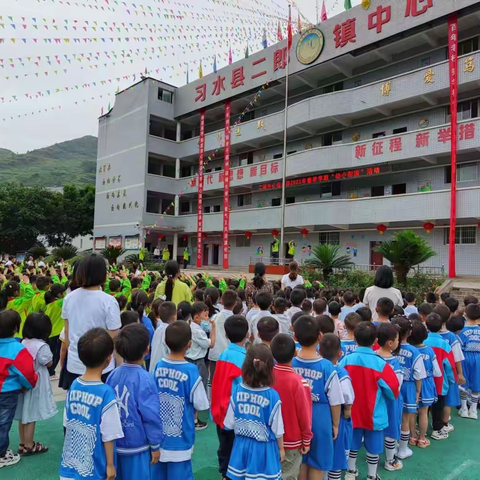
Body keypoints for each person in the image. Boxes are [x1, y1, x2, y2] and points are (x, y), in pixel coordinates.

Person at [60, 328, 124, 480]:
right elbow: (109, 434)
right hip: (94, 470)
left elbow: (68, 422)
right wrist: (110, 465)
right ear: (109, 359)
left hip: (69, 468)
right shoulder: (106, 393)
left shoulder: (74, 385)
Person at [340, 322, 399, 480]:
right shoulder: (381, 364)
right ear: (375, 341)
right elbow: (393, 390)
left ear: (355, 340)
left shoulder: (345, 361)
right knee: (374, 446)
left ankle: (350, 472)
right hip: (374, 414)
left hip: (351, 412)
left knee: (352, 443)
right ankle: (372, 475)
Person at [152, 321, 209, 479]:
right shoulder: (191, 370)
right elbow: (201, 403)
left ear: (165, 342)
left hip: (158, 438)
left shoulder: (158, 366)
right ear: (189, 345)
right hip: (181, 439)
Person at [106, 324, 163, 480]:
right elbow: (151, 416)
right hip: (138, 446)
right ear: (147, 349)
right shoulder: (145, 379)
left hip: (116, 445)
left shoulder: (112, 375)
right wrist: (155, 445)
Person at [292, 315, 344, 479]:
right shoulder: (327, 367)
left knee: (300, 460)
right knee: (318, 462)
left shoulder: (290, 363)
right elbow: (335, 400)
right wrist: (335, 424)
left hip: (296, 417)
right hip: (320, 417)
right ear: (320, 337)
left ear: (295, 337)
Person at [225, 344, 285, 480]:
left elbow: (229, 424)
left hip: (240, 449)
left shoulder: (237, 390)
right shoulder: (272, 396)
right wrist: (281, 449)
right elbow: (278, 429)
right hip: (264, 451)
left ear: (245, 367)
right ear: (270, 369)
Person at [61, 255, 121, 390]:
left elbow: (67, 333)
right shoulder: (109, 301)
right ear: (103, 274)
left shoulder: (69, 298)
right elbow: (114, 338)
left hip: (75, 364)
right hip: (102, 367)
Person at [211, 315, 249, 480]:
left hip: (220, 413)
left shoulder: (223, 354)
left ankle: (225, 475)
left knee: (224, 449)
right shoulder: (244, 359)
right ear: (248, 334)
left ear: (226, 335)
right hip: (235, 417)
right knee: (236, 453)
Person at [271, 334, 313, 480]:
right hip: (291, 441)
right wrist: (307, 439)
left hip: (268, 438)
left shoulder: (265, 377)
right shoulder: (299, 382)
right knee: (288, 475)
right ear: (294, 353)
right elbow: (304, 414)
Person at [0, 310, 37, 469]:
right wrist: (29, 385)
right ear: (16, 328)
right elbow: (28, 374)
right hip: (7, 393)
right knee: (3, 423)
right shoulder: (18, 349)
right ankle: (1, 455)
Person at [16, 313, 57, 455]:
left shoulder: (22, 342)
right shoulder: (42, 346)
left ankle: (22, 443)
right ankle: (29, 445)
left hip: (23, 382)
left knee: (22, 413)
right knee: (31, 414)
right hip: (36, 383)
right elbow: (48, 362)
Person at [390, 315, 426, 460]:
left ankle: (391, 449)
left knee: (393, 417)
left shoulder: (389, 348)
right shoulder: (414, 352)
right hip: (409, 387)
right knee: (405, 418)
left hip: (392, 386)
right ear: (410, 333)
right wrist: (418, 391)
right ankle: (403, 450)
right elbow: (419, 374)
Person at [408, 320, 442, 447]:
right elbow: (437, 372)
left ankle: (412, 437)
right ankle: (422, 439)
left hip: (412, 384)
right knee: (423, 412)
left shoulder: (408, 351)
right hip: (427, 384)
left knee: (411, 412)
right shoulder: (429, 351)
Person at [376, 323, 404, 471]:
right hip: (391, 401)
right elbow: (397, 386)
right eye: (397, 339)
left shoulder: (373, 358)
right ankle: (390, 460)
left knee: (375, 429)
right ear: (390, 343)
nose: (399, 342)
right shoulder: (394, 363)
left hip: (374, 401)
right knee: (391, 429)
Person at [424, 313, 457, 439]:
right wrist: (451, 379)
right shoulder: (444, 344)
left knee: (424, 406)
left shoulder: (423, 341)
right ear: (442, 326)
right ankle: (437, 429)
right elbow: (449, 365)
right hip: (439, 381)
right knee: (438, 406)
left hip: (425, 380)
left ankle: (419, 426)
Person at [434, 304, 466, 429]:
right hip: (448, 374)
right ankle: (444, 423)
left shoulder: (427, 334)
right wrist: (460, 373)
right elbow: (457, 358)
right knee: (448, 400)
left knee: (433, 399)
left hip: (431, 374)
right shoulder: (451, 337)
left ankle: (432, 421)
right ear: (448, 319)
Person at [186, 302, 215, 430]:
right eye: (205, 316)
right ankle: (194, 419)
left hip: (190, 359)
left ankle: (191, 417)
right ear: (197, 317)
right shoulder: (197, 331)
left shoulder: (190, 326)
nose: (207, 319)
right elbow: (211, 344)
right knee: (198, 389)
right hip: (197, 361)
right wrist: (213, 328)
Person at [208, 289, 237, 388]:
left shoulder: (215, 317)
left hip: (215, 353)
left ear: (221, 301)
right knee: (226, 384)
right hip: (229, 356)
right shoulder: (236, 320)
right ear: (235, 303)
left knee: (213, 382)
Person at [458, 303, 480, 420]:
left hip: (465, 357)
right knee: (477, 383)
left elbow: (459, 348)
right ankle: (473, 410)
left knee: (463, 383)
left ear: (465, 314)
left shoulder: (462, 331)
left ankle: (464, 408)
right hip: (478, 357)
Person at [44, 283, 67, 377]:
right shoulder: (60, 303)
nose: (65, 294)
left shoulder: (49, 305)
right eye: (63, 292)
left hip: (51, 333)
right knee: (56, 354)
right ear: (59, 294)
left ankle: (50, 371)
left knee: (53, 352)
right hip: (58, 333)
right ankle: (50, 371)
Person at [149, 301, 176, 374]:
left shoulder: (158, 330)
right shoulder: (170, 332)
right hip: (163, 372)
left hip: (153, 370)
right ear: (175, 316)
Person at [129, 290, 154, 371]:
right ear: (146, 305)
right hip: (143, 359)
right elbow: (151, 340)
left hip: (126, 357)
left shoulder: (124, 317)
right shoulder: (147, 322)